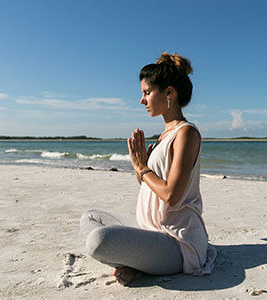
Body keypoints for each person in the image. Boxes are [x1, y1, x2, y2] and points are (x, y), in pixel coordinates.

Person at [79, 52, 216, 285]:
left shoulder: (187, 133)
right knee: (90, 217)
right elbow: (148, 185)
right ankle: (137, 262)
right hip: (150, 229)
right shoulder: (164, 136)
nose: (142, 100)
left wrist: (143, 168)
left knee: (98, 242)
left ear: (169, 93)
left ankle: (139, 264)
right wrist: (138, 166)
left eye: (147, 93)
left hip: (174, 240)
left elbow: (172, 196)